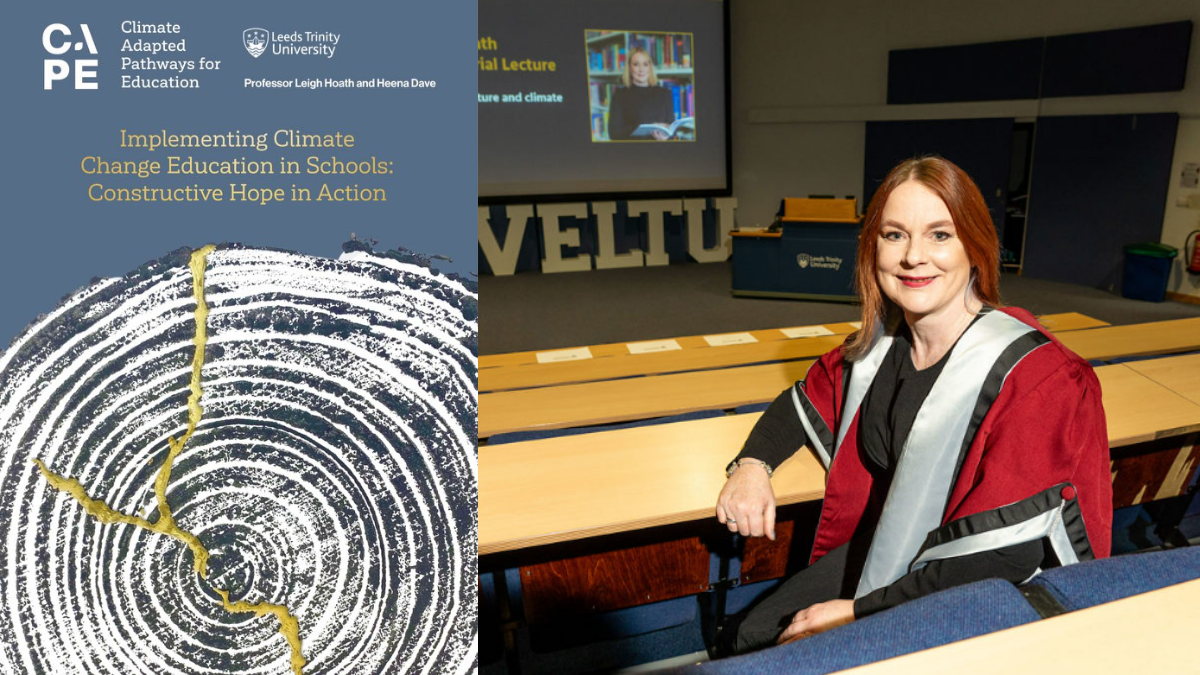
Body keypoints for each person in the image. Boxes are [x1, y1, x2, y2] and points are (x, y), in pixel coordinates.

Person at [715, 156, 1112, 654]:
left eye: (940, 235)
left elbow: (1003, 558)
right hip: (899, 550)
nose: (913, 257)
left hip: (985, 591)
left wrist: (859, 613)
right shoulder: (881, 348)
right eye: (895, 234)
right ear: (872, 248)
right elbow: (799, 403)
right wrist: (751, 466)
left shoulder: (1037, 378)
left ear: (976, 247)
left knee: (786, 648)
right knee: (750, 635)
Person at [606, 46, 675, 141]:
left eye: (645, 64)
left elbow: (672, 130)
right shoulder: (620, 95)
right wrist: (645, 126)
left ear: (650, 67)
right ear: (629, 68)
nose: (641, 69)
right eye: (636, 64)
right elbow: (614, 134)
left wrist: (666, 137)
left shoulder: (665, 94)